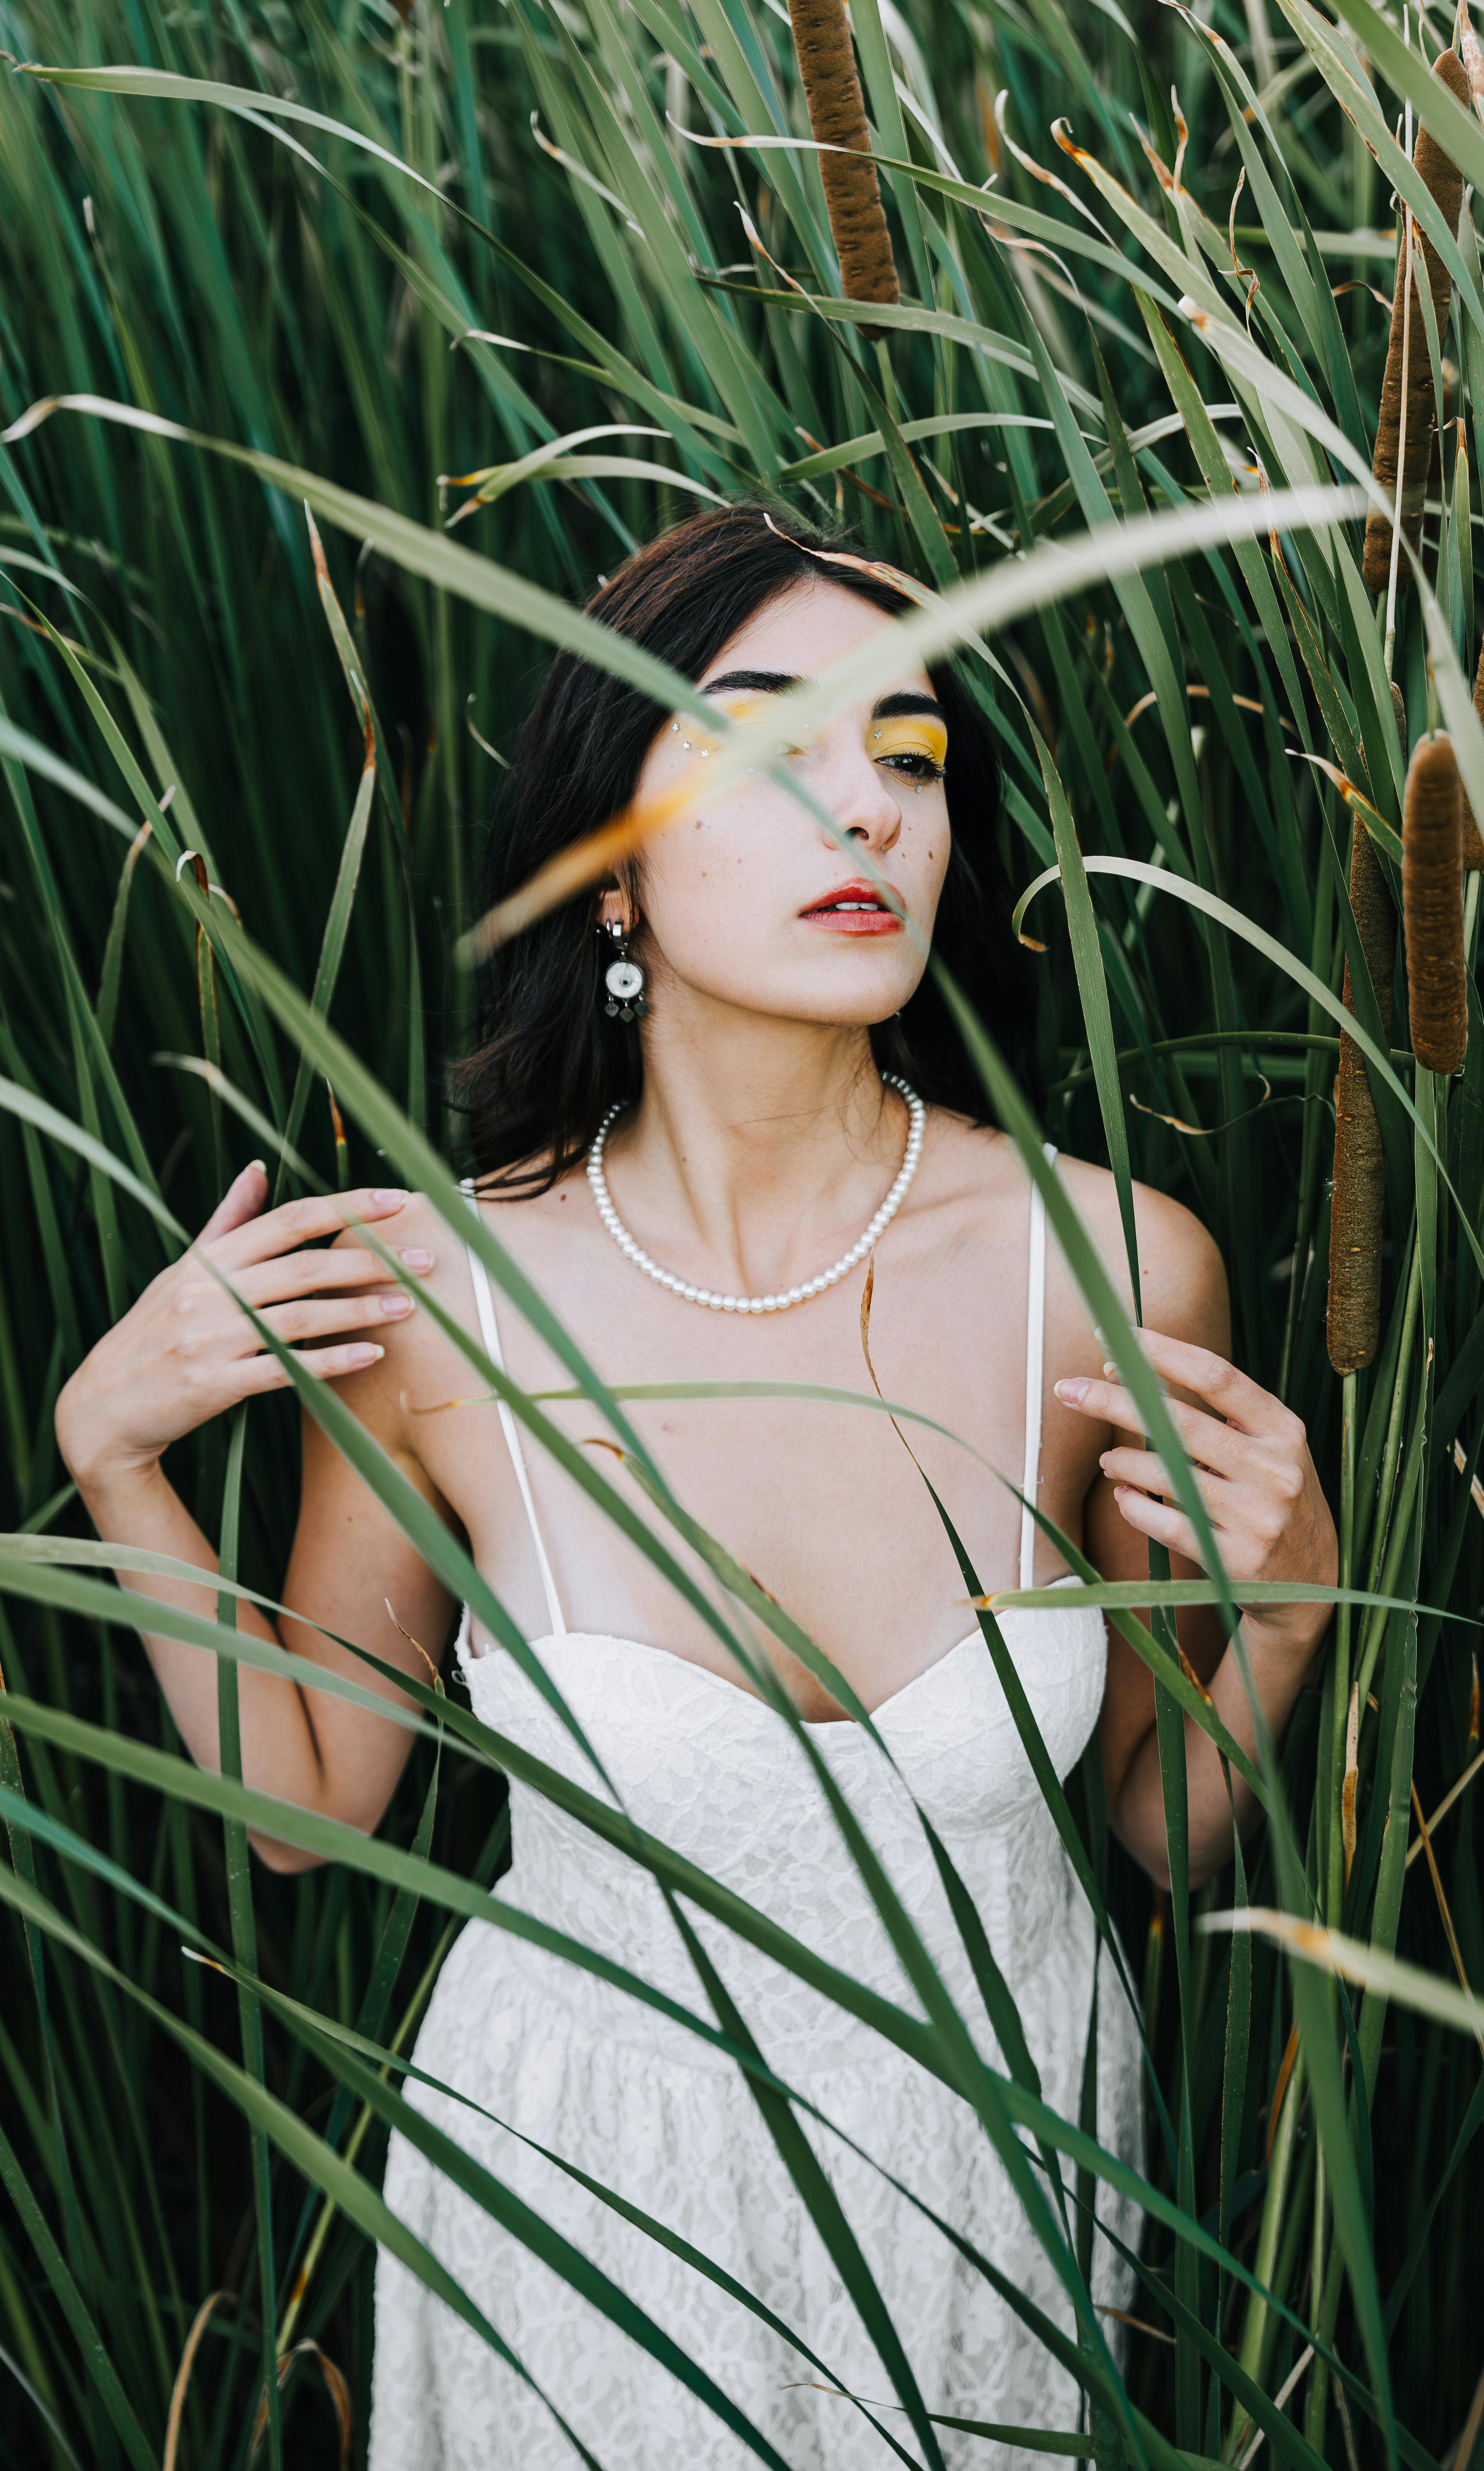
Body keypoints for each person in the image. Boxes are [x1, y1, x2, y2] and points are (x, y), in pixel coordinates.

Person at [55, 507, 1337, 2467]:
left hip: (991, 2200)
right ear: (608, 874)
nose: (874, 816)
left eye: (910, 758)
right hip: (585, 2204)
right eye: (771, 749)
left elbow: (1162, 1823)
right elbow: (309, 1806)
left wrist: (1297, 1600)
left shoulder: (1105, 1269)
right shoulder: (438, 1305)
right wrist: (119, 1459)